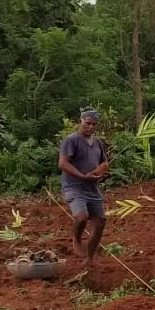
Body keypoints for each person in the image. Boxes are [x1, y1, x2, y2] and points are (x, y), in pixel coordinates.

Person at [58, 108, 109, 266]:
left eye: (94, 124)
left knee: (100, 223)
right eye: (88, 123)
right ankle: (77, 238)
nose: (91, 127)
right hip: (74, 186)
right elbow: (63, 163)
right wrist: (82, 175)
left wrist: (101, 171)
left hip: (92, 188)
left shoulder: (97, 142)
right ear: (81, 121)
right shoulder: (71, 140)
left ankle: (89, 258)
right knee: (81, 217)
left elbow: (104, 162)